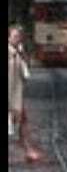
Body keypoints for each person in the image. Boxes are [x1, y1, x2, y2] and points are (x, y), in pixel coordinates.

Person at [9, 27, 41, 163]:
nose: (18, 39)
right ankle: (28, 151)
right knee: (18, 123)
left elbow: (26, 72)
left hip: (16, 95)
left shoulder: (18, 52)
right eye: (15, 36)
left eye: (19, 37)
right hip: (10, 96)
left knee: (23, 123)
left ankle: (28, 151)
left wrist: (23, 54)